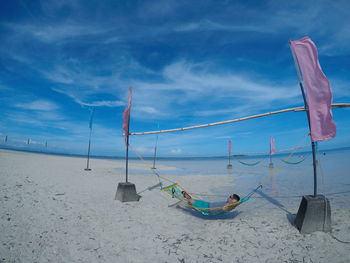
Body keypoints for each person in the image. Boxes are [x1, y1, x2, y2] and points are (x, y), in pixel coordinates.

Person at [172, 188, 240, 213]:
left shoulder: (228, 206)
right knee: (192, 200)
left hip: (206, 209)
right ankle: (186, 195)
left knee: (188, 201)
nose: (228, 197)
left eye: (230, 197)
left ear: (233, 200)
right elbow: (234, 204)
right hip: (207, 204)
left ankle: (175, 193)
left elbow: (226, 209)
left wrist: (235, 204)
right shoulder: (228, 203)